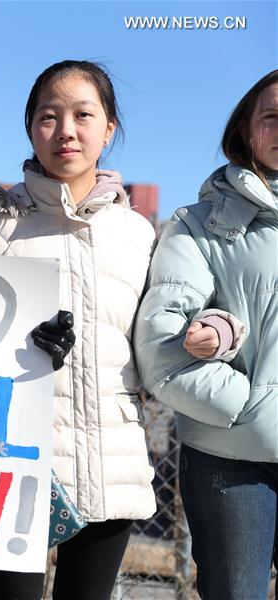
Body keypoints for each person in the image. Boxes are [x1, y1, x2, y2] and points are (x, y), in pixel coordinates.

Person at [0, 60, 156, 599]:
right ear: (30, 129)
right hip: (11, 461)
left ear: (108, 129)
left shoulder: (138, 234)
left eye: (83, 115)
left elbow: (158, 341)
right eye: (49, 117)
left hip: (108, 460)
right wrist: (16, 348)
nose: (66, 131)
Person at [134, 70, 278, 600]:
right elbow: (162, 349)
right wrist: (251, 407)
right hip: (232, 458)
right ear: (245, 130)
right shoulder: (197, 226)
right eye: (272, 117)